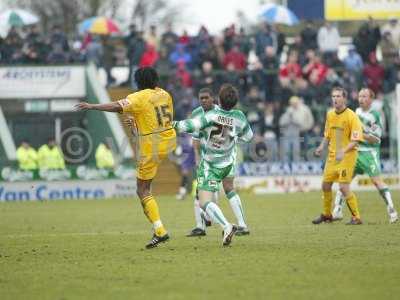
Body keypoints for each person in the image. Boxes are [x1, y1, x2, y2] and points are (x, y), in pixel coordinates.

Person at [75, 67, 176, 249]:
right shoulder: (164, 94)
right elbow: (154, 117)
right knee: (147, 186)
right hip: (168, 140)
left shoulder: (138, 97)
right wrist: (136, 124)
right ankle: (156, 230)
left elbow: (117, 106)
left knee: (142, 190)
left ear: (138, 81)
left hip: (151, 145)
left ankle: (160, 230)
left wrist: (93, 106)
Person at [174, 84, 253, 246]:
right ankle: (241, 224)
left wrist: (171, 124)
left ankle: (226, 226)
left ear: (217, 99)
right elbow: (249, 137)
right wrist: (233, 137)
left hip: (211, 164)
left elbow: (190, 126)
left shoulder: (211, 116)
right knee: (229, 189)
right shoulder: (239, 116)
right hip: (228, 161)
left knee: (204, 200)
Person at [332, 88, 398, 223]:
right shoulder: (356, 112)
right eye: (360, 96)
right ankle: (337, 211)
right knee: (343, 182)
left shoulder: (375, 116)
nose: (361, 99)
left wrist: (361, 134)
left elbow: (376, 139)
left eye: (364, 96)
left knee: (377, 182)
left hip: (369, 154)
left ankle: (392, 210)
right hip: (355, 152)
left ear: (371, 99)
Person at [313, 87, 363, 225]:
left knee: (343, 187)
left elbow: (356, 140)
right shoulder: (330, 114)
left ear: (344, 98)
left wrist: (343, 151)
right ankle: (327, 215)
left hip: (347, 156)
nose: (335, 99)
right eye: (333, 96)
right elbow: (327, 135)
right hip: (332, 156)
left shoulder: (351, 116)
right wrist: (321, 147)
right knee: (325, 185)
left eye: (338, 96)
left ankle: (356, 217)